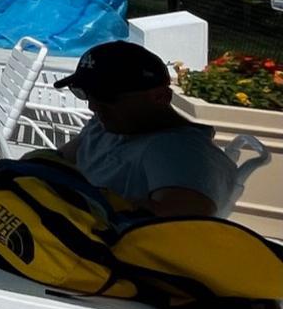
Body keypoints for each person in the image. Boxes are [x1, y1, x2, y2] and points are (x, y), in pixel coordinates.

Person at [54, 40, 236, 217]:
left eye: (106, 96)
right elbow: (58, 160)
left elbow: (185, 217)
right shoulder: (109, 124)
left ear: (159, 97)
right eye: (86, 93)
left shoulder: (178, 150)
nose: (93, 106)